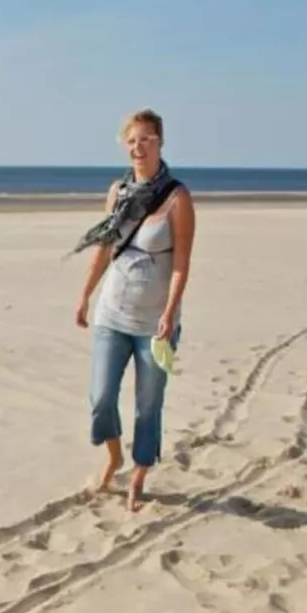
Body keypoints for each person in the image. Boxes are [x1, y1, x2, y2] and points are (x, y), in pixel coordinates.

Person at [72, 108, 196, 511]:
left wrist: (170, 311)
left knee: (148, 403)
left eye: (146, 139)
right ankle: (113, 457)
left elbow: (181, 262)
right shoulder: (117, 192)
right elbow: (105, 248)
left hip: (155, 322)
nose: (138, 147)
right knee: (101, 398)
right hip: (113, 313)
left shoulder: (178, 198)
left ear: (160, 142)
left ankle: (139, 474)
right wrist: (85, 295)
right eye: (132, 141)